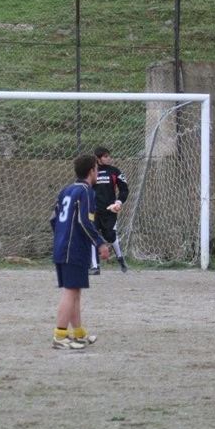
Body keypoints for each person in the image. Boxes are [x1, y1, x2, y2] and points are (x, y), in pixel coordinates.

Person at [51, 154, 110, 350]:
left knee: (74, 290)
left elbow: (53, 219)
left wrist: (61, 237)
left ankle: (78, 334)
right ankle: (60, 336)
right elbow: (84, 221)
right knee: (70, 292)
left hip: (62, 247)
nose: (98, 172)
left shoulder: (66, 190)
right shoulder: (86, 191)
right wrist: (100, 243)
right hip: (73, 248)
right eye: (97, 169)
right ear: (91, 171)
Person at [91, 145, 129, 274]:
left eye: (109, 156)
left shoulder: (115, 171)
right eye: (105, 156)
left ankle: (120, 258)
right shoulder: (91, 171)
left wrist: (118, 202)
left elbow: (124, 189)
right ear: (98, 158)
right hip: (94, 211)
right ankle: (95, 266)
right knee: (92, 235)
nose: (109, 158)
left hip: (109, 211)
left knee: (110, 236)